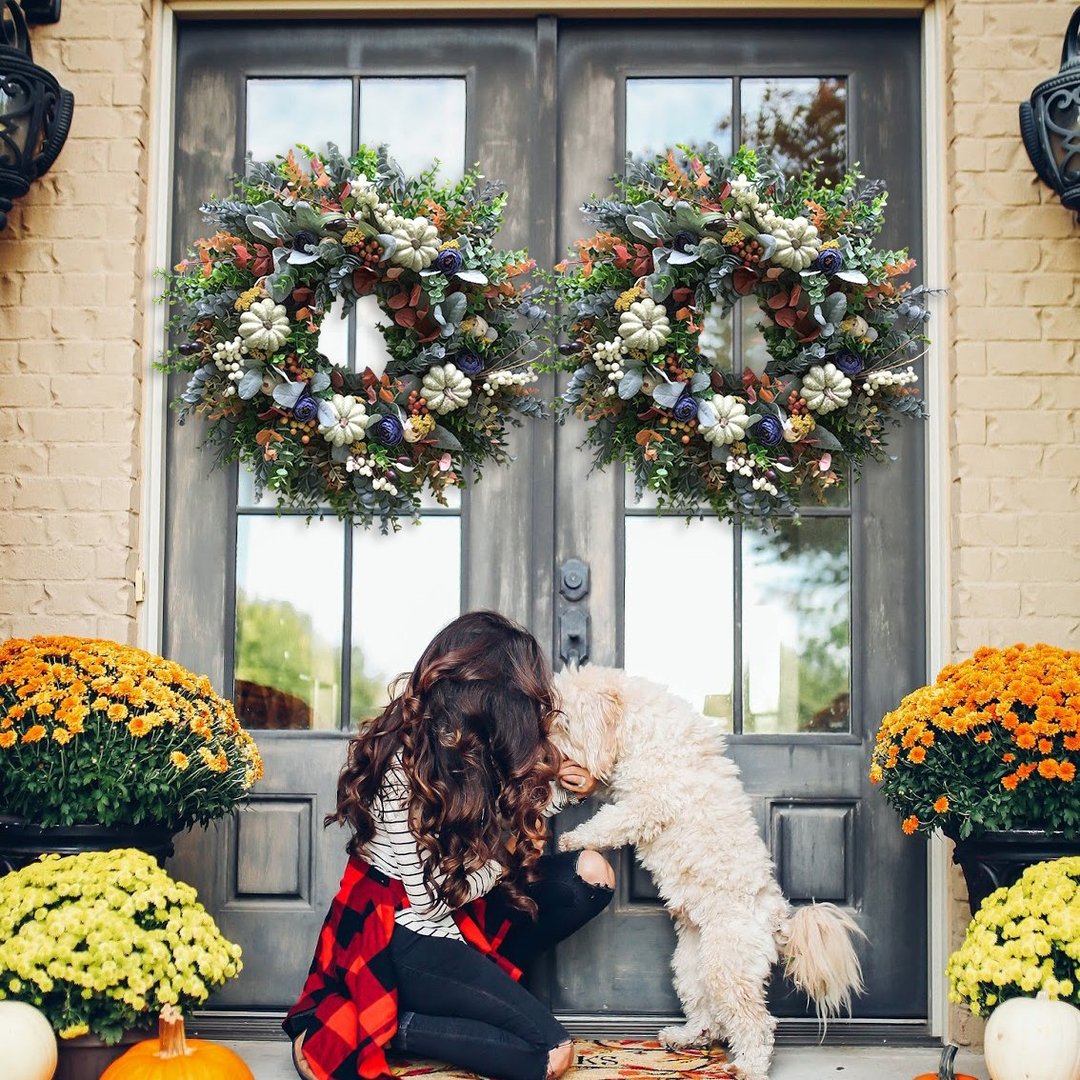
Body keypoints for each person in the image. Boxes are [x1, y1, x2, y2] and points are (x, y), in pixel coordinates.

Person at [285, 610, 615, 1080]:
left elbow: (509, 825)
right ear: (490, 697)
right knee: (550, 1055)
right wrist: (500, 866)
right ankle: (391, 1025)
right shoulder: (401, 759)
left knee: (592, 875)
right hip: (403, 928)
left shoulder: (477, 744)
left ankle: (477, 995)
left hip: (459, 908)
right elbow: (428, 902)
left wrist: (561, 786)